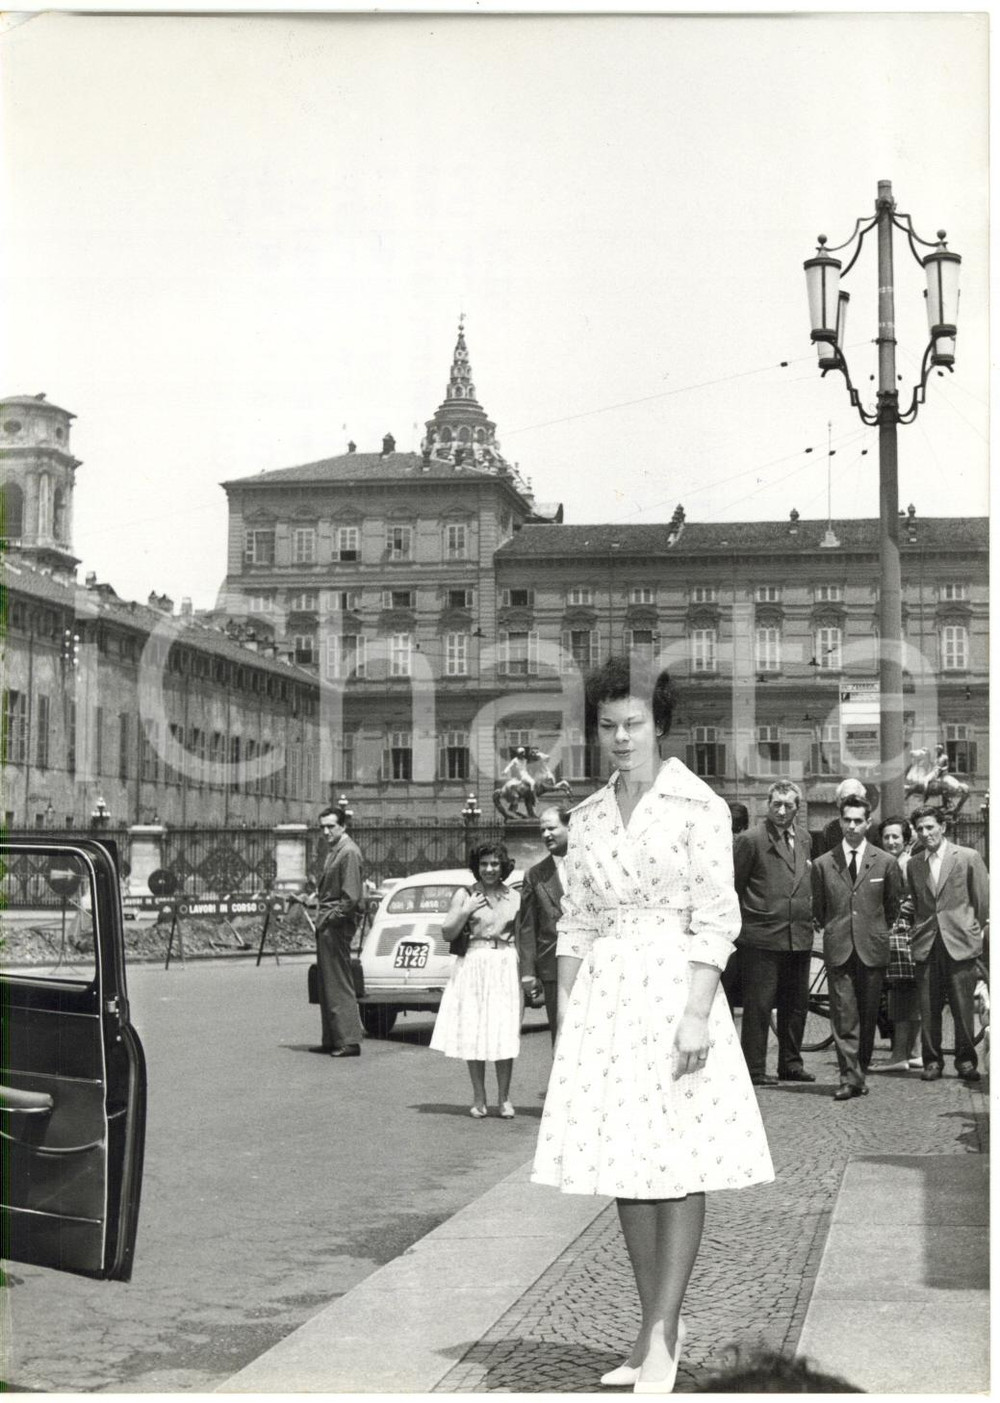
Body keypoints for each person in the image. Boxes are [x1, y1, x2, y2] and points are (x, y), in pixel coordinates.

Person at [532, 658, 773, 1394]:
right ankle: (650, 1327)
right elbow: (575, 922)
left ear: (659, 723)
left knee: (676, 1161)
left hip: (675, 990)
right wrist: (569, 1017)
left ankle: (666, 1331)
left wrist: (699, 1012)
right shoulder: (588, 816)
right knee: (627, 1170)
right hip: (608, 1002)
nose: (621, 737)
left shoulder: (699, 806)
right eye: (607, 726)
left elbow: (718, 916)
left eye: (633, 723)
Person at [811, 796, 903, 1101]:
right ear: (840, 822)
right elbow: (821, 908)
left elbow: (892, 906)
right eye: (846, 820)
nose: (851, 826)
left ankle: (858, 1072)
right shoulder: (824, 864)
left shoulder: (885, 862)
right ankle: (849, 1078)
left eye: (857, 821)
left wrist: (875, 930)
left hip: (872, 948)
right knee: (843, 1015)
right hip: (839, 948)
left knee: (867, 1016)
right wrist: (839, 929)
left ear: (867, 823)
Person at [431, 840, 523, 1117]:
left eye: (495, 863)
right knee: (475, 1028)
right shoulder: (465, 894)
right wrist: (466, 909)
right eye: (483, 864)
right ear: (476, 867)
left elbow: (522, 935)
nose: (489, 869)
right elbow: (447, 932)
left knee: (503, 1030)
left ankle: (504, 1098)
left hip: (505, 961)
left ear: (503, 866)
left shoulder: (515, 897)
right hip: (473, 962)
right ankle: (479, 1097)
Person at [733, 781, 816, 1086]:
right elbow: (735, 888)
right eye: (776, 805)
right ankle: (754, 1068)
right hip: (762, 937)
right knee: (759, 1005)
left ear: (798, 808)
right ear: (767, 806)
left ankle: (790, 1064)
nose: (782, 811)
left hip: (798, 935)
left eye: (789, 805)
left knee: (796, 1005)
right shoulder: (751, 840)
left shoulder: (805, 838)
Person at [903, 806, 989, 1082]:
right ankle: (932, 1061)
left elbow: (982, 902)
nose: (925, 833)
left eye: (930, 827)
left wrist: (972, 930)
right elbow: (918, 903)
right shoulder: (914, 864)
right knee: (928, 1007)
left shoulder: (967, 857)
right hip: (927, 942)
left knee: (963, 1007)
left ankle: (965, 1061)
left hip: (960, 941)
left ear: (943, 827)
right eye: (920, 829)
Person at [311, 804, 365, 1059]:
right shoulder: (336, 851)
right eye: (322, 827)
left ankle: (349, 1040)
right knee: (327, 983)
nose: (326, 831)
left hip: (336, 925)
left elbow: (350, 897)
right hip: (329, 921)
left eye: (331, 826)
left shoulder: (348, 852)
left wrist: (331, 918)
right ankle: (333, 1038)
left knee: (338, 982)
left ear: (343, 826)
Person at [515, 804, 570, 1045]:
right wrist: (528, 972)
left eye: (552, 828)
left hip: (594, 963)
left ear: (570, 827)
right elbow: (527, 927)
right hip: (553, 967)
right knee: (560, 1033)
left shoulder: (591, 865)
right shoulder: (534, 874)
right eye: (542, 830)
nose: (546, 835)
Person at [872, 815, 923, 1072]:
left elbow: (916, 898)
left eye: (896, 837)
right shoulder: (905, 861)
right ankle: (913, 1051)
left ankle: (898, 1055)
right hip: (907, 933)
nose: (891, 841)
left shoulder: (901, 864)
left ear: (906, 839)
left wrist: (899, 912)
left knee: (900, 995)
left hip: (900, 933)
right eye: (887, 837)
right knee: (910, 994)